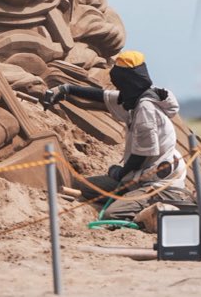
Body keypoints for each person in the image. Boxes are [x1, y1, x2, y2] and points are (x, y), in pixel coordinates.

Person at [42, 50, 191, 220]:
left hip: (159, 184)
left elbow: (141, 155)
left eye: (120, 83)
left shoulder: (146, 110)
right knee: (81, 186)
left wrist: (119, 174)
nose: (117, 88)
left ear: (127, 81)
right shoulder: (135, 99)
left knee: (112, 214)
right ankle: (127, 198)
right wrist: (66, 89)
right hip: (138, 177)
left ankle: (159, 207)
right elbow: (102, 96)